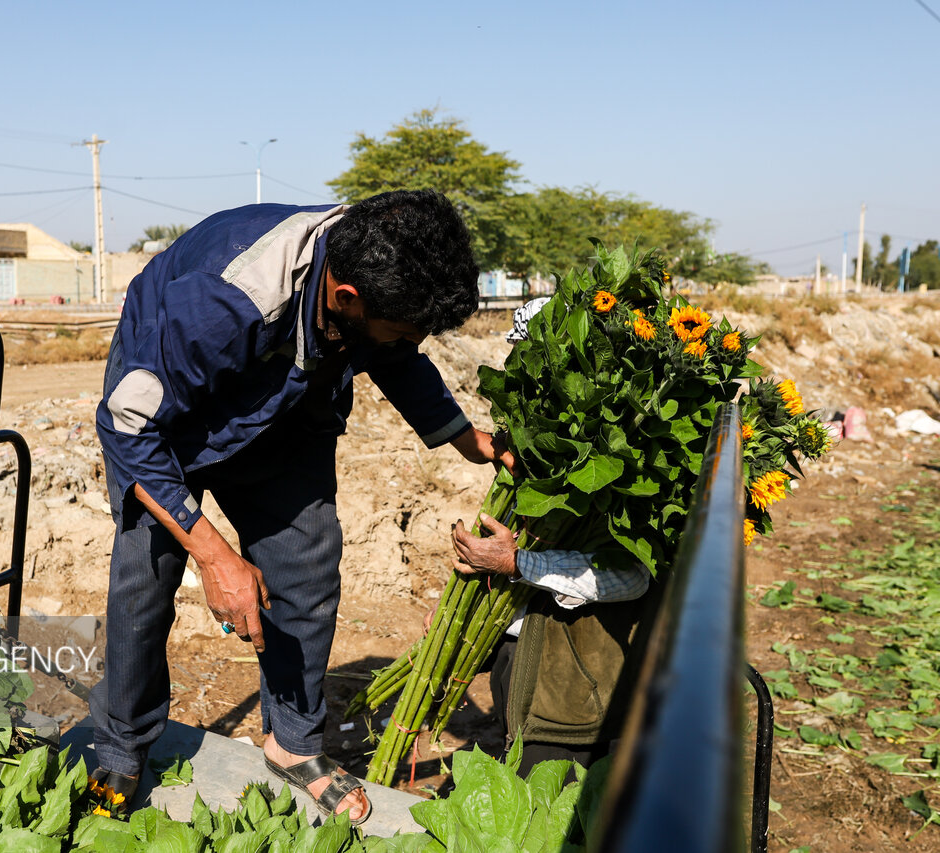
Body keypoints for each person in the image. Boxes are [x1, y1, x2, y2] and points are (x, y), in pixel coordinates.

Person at [92, 190, 516, 823]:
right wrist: (214, 554)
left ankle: (291, 744)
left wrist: (467, 439)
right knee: (145, 581)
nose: (407, 341)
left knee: (308, 565)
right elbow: (129, 427)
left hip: (284, 402)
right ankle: (121, 748)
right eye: (402, 328)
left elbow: (397, 357)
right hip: (164, 413)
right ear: (345, 299)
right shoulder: (230, 298)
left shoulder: (373, 272)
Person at [450, 296, 656, 774]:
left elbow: (630, 577)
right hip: (519, 661)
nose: (530, 381)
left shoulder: (622, 460)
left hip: (573, 691)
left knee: (554, 810)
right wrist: (459, 610)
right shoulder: (538, 443)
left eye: (544, 365)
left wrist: (518, 565)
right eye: (522, 362)